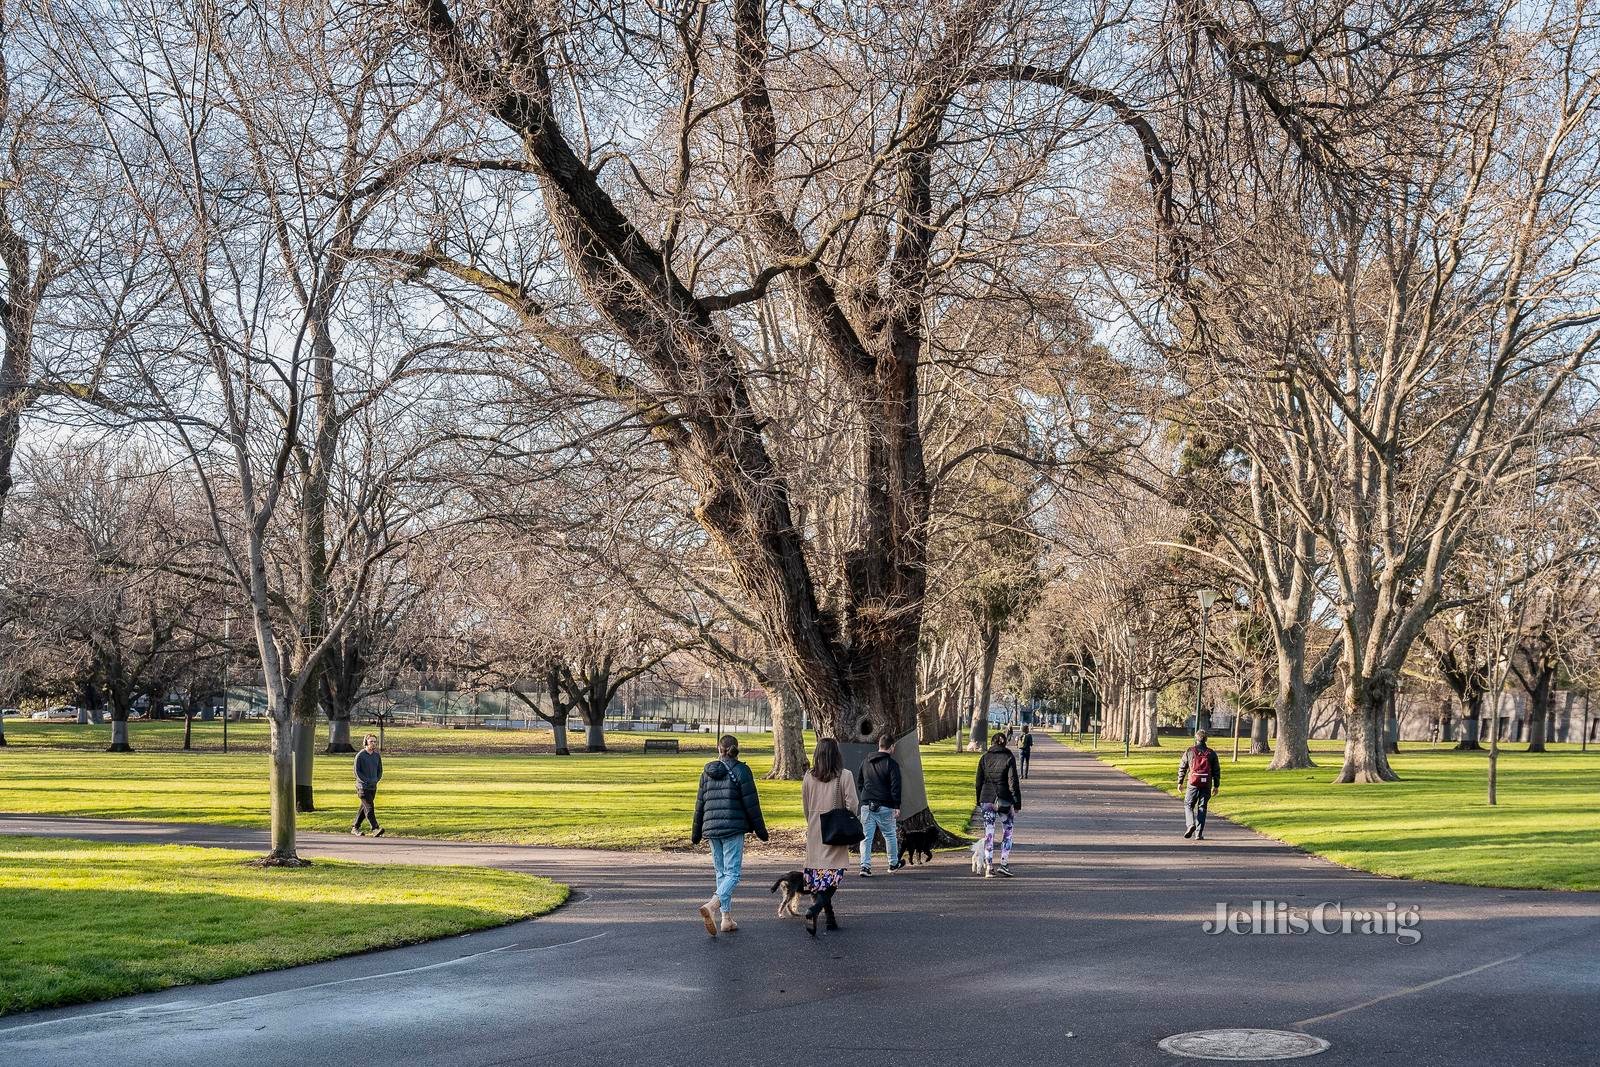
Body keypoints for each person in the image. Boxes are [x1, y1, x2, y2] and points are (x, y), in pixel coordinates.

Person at [691, 733, 768, 936]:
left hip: (711, 828)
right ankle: (713, 905)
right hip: (733, 828)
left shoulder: (706, 772)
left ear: (719, 749)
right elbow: (752, 804)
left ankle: (726, 918)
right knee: (733, 874)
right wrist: (761, 831)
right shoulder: (742, 770)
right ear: (736, 749)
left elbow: (700, 804)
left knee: (721, 873)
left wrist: (696, 833)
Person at [801, 737, 859, 936]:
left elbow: (806, 806)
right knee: (833, 875)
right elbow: (853, 805)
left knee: (819, 878)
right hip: (835, 829)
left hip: (816, 829)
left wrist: (812, 821)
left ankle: (830, 918)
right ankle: (816, 909)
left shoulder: (809, 776)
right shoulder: (845, 776)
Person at [975, 731, 1022, 877]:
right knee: (1008, 831)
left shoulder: (984, 758)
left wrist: (979, 799)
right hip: (1004, 799)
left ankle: (989, 866)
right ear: (1004, 743)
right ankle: (1004, 862)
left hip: (986, 798)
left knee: (989, 832)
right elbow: (1012, 782)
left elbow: (978, 781)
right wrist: (1017, 802)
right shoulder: (1009, 757)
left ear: (992, 742)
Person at [856, 732, 903, 876]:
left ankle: (865, 866)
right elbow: (896, 786)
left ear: (879, 745)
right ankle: (893, 863)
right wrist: (896, 805)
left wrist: (865, 795)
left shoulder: (866, 761)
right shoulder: (891, 764)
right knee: (889, 835)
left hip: (867, 804)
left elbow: (860, 782)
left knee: (866, 837)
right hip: (886, 805)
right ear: (892, 747)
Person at [1179, 730, 1221, 840]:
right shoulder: (1211, 753)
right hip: (1206, 783)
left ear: (1196, 738)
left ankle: (1190, 824)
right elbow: (1216, 770)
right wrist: (1216, 785)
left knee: (1188, 804)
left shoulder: (1190, 751)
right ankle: (1198, 833)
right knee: (1202, 807)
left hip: (1193, 783)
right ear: (1206, 739)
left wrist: (1180, 782)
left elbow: (1183, 767)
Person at [351, 733, 384, 837]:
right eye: (371, 742)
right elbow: (357, 772)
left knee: (364, 807)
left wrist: (376, 780)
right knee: (369, 807)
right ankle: (375, 828)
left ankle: (355, 827)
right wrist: (366, 781)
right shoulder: (360, 755)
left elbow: (380, 770)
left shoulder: (376, 756)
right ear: (366, 742)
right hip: (362, 787)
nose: (373, 744)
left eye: (375, 742)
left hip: (373, 786)